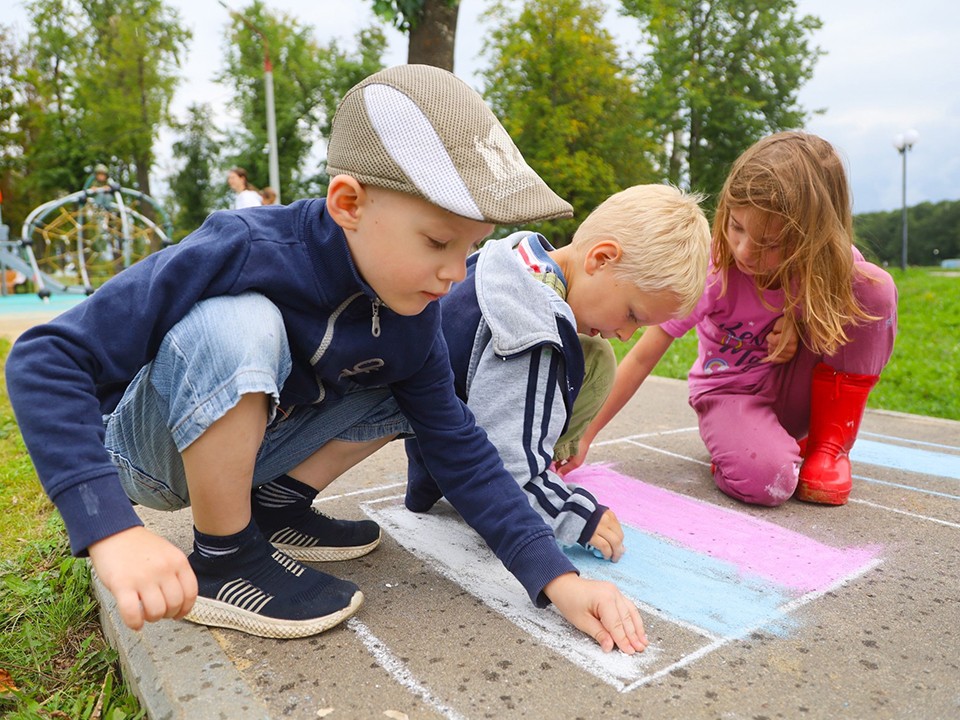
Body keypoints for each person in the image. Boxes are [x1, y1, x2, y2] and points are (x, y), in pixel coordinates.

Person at [6, 65, 648, 654]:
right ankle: (224, 557)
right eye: (438, 242)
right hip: (146, 451)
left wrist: (556, 578)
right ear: (348, 204)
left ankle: (275, 509)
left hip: (255, 445)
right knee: (241, 321)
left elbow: (461, 447)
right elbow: (46, 357)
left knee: (423, 390)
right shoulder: (245, 245)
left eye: (472, 247)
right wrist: (110, 530)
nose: (456, 273)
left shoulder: (412, 314)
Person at [566, 131, 897, 508]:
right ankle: (745, 449)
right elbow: (644, 354)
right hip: (732, 392)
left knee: (874, 287)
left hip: (796, 391)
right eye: (736, 226)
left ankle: (829, 447)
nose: (744, 250)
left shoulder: (828, 265)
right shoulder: (716, 268)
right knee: (768, 481)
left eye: (769, 243)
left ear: (812, 238)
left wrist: (797, 318)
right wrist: (585, 434)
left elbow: (851, 294)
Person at [405, 184, 710, 561]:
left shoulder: (519, 254)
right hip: (453, 456)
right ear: (601, 259)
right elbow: (507, 464)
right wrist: (576, 516)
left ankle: (538, 463)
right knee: (582, 357)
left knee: (595, 355)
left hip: (432, 422)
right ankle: (537, 489)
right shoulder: (534, 323)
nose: (626, 335)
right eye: (632, 314)